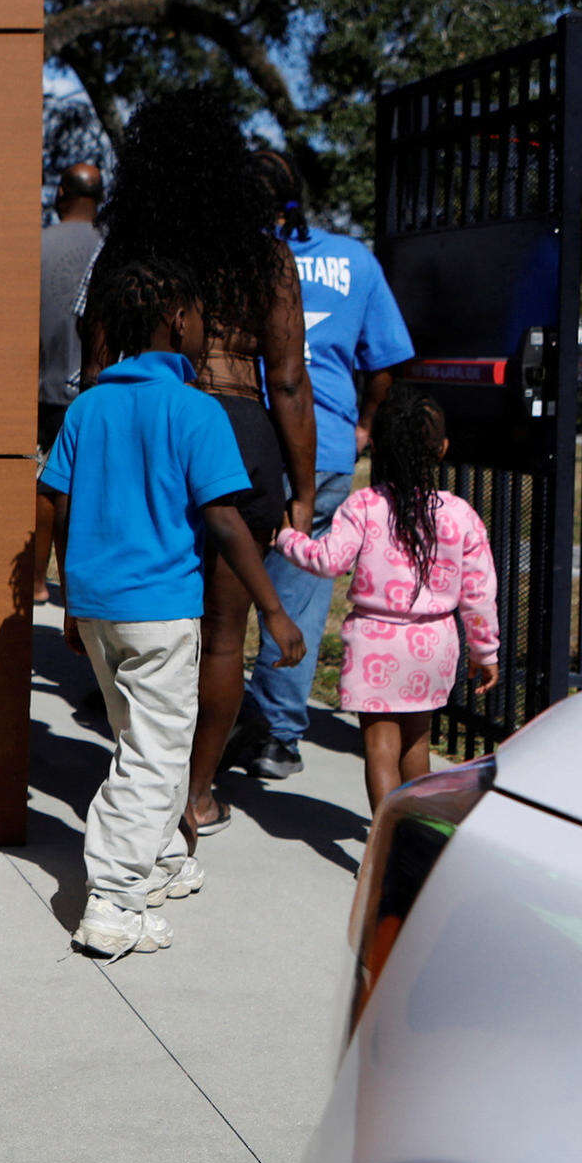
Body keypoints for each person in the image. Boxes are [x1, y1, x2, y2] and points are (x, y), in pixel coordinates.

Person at [38, 253, 304, 959]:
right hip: (159, 609)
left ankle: (159, 862)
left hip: (97, 606)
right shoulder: (197, 410)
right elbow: (225, 521)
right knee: (156, 756)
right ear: (178, 321)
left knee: (140, 741)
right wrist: (274, 610)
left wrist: (68, 603)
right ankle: (115, 900)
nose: (205, 331)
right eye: (200, 319)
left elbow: (59, 506)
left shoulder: (89, 406)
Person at [86, 94, 315, 841]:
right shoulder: (265, 256)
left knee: (144, 615)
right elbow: (286, 378)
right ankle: (196, 792)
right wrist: (305, 488)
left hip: (148, 432)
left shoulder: (128, 251)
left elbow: (93, 372)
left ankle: (143, 772)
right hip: (242, 434)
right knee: (222, 636)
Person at [228, 163, 415, 779]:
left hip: (237, 440)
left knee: (220, 587)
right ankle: (277, 736)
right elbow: (386, 360)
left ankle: (214, 718)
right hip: (326, 447)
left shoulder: (231, 256)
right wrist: (362, 424)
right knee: (300, 595)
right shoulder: (354, 261)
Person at [273, 387, 499, 814]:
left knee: (379, 747)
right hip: (435, 643)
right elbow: (479, 592)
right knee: (417, 742)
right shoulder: (460, 514)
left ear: (376, 445)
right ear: (443, 449)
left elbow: (328, 559)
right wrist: (485, 650)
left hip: (375, 641)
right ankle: (418, 832)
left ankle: (385, 839)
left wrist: (287, 538)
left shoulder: (364, 505)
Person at [38, 163, 105, 451]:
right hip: (100, 398)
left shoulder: (37, 245)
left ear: (61, 192)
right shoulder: (112, 247)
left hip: (44, 398)